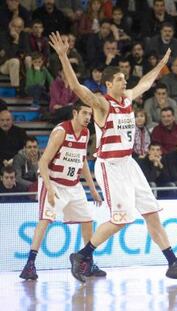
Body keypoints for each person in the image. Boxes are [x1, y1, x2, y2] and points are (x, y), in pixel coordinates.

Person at [49, 32, 177, 283]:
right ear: (108, 83)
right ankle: (83, 256)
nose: (125, 82)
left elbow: (146, 83)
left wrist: (160, 66)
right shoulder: (101, 104)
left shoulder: (127, 99)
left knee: (152, 214)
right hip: (110, 166)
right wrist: (63, 57)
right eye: (120, 79)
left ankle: (173, 263)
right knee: (121, 220)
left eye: (125, 78)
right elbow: (75, 87)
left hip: (129, 164)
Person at [19, 101, 105, 280]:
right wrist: (49, 189)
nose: (88, 118)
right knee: (45, 220)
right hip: (53, 182)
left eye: (90, 114)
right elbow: (43, 162)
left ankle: (87, 263)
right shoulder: (61, 132)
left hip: (73, 185)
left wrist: (93, 189)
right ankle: (29, 265)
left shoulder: (86, 132)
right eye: (84, 113)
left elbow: (82, 162)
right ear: (75, 113)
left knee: (87, 220)